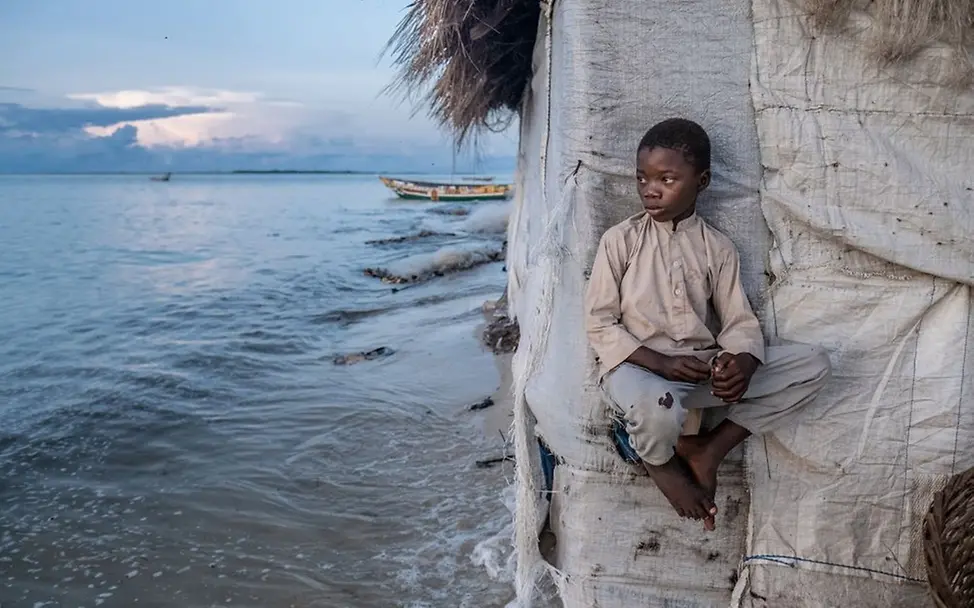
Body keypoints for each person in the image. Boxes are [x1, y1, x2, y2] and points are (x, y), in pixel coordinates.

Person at [584, 118, 831, 531]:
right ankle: (662, 467)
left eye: (667, 178)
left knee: (814, 365)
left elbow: (738, 320)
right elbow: (599, 322)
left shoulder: (717, 247)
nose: (650, 189)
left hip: (700, 372)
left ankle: (710, 449)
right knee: (655, 410)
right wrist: (660, 364)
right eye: (642, 177)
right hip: (640, 373)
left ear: (702, 181)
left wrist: (742, 363)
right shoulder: (620, 240)